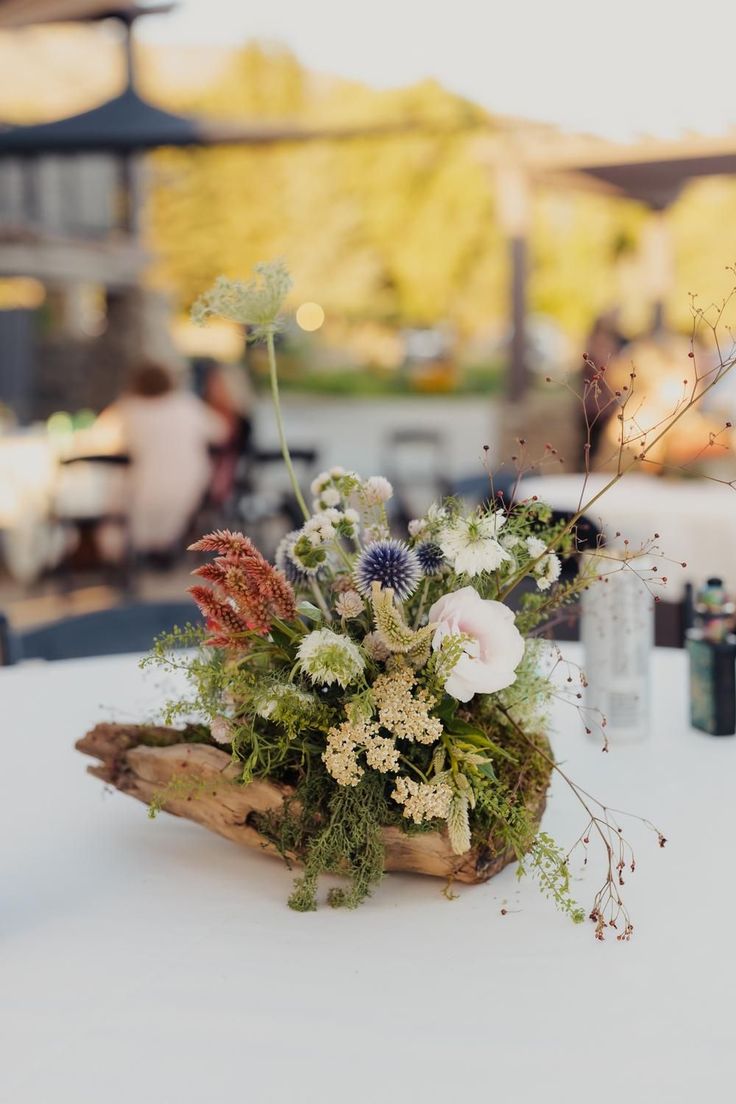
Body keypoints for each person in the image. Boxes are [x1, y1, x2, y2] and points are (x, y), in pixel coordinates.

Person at [95, 362, 228, 556]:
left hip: (142, 492)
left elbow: (98, 439)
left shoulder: (127, 410)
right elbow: (221, 432)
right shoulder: (187, 406)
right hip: (188, 489)